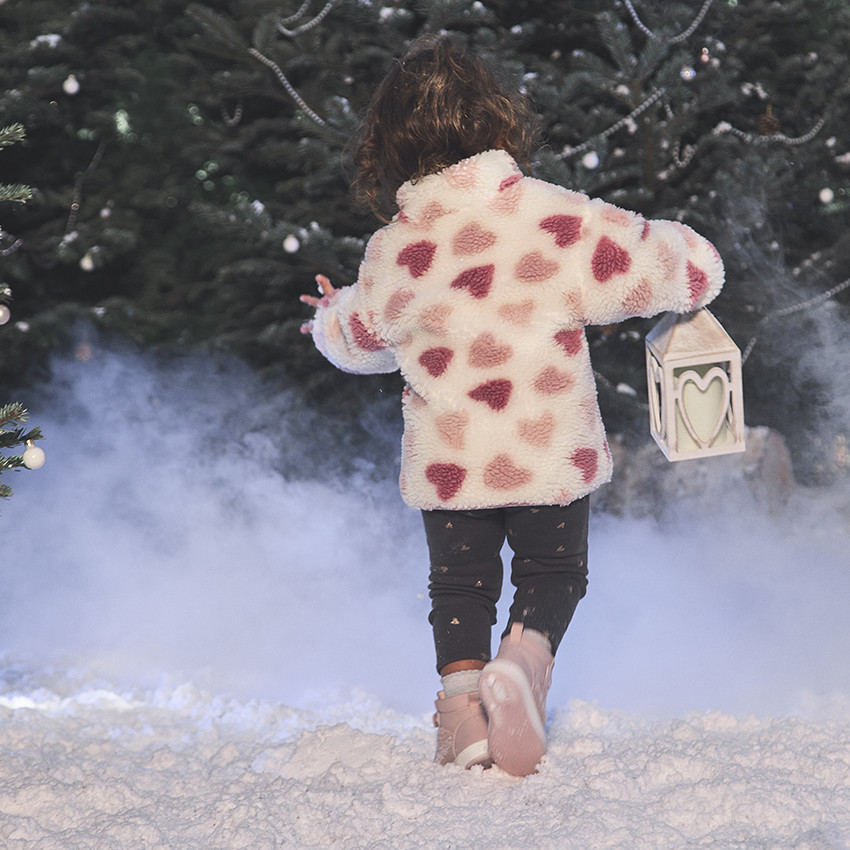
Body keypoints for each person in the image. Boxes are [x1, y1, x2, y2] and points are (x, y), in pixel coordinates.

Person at [299, 35, 724, 776]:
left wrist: (326, 315)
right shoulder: (550, 219)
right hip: (545, 448)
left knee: (458, 587)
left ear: (388, 147)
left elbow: (360, 337)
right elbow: (661, 269)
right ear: (498, 123)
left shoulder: (396, 249)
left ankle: (462, 715)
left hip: (453, 461)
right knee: (554, 574)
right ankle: (524, 661)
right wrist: (695, 258)